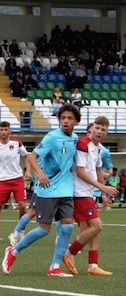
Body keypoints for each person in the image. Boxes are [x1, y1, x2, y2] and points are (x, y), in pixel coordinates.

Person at [2, 103, 81, 277]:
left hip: (66, 190)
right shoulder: (52, 137)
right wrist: (40, 173)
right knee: (44, 229)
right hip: (49, 189)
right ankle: (13, 251)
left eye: (69, 118)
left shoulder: (75, 138)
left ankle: (54, 266)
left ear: (76, 121)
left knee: (67, 227)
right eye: (63, 118)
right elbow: (31, 156)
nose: (65, 121)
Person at [61, 117, 119, 276]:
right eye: (97, 128)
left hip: (88, 193)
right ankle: (69, 253)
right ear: (92, 127)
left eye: (103, 130)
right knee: (97, 226)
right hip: (79, 193)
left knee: (95, 229)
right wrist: (102, 186)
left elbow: (98, 170)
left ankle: (93, 265)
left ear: (106, 133)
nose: (99, 131)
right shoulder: (83, 144)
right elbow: (80, 172)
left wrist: (104, 194)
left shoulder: (99, 148)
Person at [0, 121, 30, 244]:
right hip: (2, 181)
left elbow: (27, 156)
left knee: (23, 206)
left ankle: (21, 233)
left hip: (17, 179)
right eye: (1, 130)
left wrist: (28, 171)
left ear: (10, 131)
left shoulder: (17, 143)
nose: (3, 132)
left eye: (6, 129)